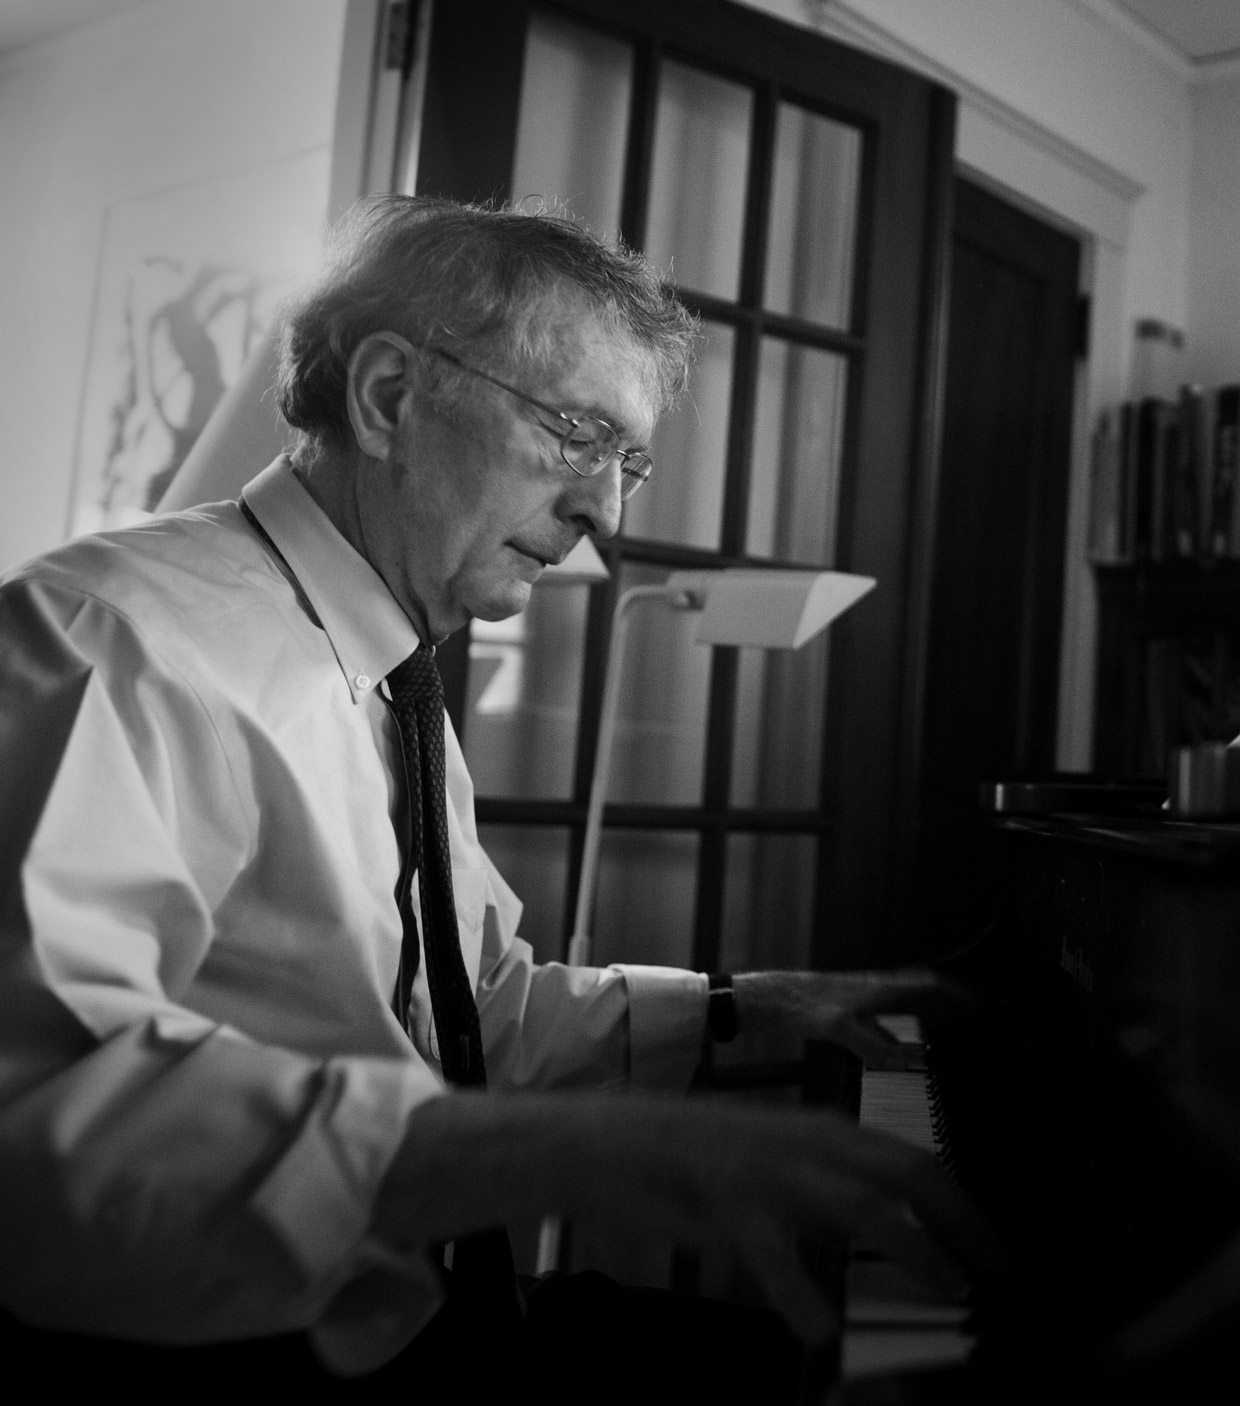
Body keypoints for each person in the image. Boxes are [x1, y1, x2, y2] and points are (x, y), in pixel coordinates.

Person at [0, 196, 994, 1390]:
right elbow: (43, 1103)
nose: (606, 514)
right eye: (578, 434)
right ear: (386, 397)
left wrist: (747, 1005)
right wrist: (556, 1151)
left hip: (440, 1313)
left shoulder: (390, 674)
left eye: (625, 461)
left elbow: (471, 1013)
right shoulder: (112, 637)